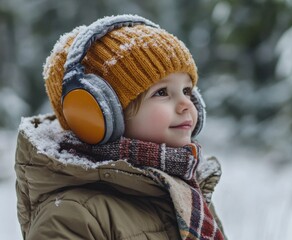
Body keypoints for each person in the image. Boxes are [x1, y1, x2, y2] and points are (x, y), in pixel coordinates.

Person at [15, 14, 226, 240]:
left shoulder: (186, 191)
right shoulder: (72, 216)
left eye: (187, 90)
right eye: (162, 92)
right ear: (98, 114)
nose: (187, 105)